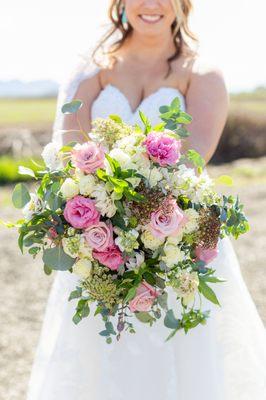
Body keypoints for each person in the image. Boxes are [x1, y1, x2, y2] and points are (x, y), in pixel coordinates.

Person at [27, 1, 266, 399]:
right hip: (98, 238)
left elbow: (194, 156)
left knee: (185, 347)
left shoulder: (201, 74)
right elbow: (68, 149)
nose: (150, 4)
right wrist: (97, 219)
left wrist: (137, 203)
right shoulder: (92, 70)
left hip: (176, 235)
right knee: (97, 357)